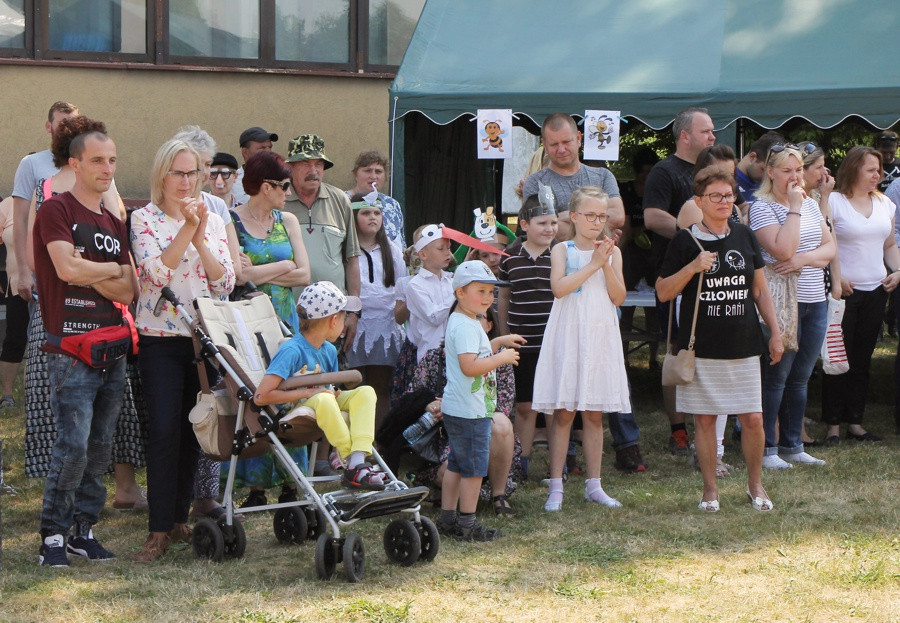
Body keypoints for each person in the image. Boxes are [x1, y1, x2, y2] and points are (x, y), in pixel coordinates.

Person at [131, 139, 235, 562]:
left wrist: (202, 236)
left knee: (195, 430)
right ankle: (157, 530)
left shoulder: (211, 219)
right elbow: (154, 278)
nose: (187, 181)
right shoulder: (143, 219)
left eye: (193, 173)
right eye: (178, 172)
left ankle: (177, 521)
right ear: (162, 175)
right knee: (163, 431)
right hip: (160, 339)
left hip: (203, 339)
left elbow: (225, 281)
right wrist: (186, 230)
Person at [33, 129, 133, 566]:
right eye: (97, 161)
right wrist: (108, 268)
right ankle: (51, 538)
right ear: (75, 164)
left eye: (111, 160)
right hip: (69, 350)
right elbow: (64, 268)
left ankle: (83, 532)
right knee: (71, 445)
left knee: (100, 446)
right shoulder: (55, 210)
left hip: (111, 347)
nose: (107, 169)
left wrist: (91, 267)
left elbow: (129, 291)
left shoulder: (114, 223)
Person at [656, 166, 782, 512]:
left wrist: (775, 332)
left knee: (753, 418)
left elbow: (760, 289)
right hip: (702, 347)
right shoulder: (685, 241)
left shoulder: (745, 236)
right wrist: (693, 267)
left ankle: (755, 485)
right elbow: (664, 291)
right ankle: (710, 490)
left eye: (729, 195)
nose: (724, 201)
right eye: (716, 196)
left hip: (744, 342)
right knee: (706, 420)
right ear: (699, 201)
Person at [532, 187, 631, 512]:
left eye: (601, 216)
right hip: (569, 333)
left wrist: (604, 262)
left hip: (599, 334)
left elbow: (618, 297)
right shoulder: (562, 249)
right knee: (563, 412)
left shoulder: (612, 253)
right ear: (574, 217)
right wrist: (592, 264)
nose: (596, 221)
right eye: (590, 215)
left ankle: (594, 484)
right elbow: (559, 288)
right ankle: (557, 485)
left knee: (594, 412)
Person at [228, 150, 311, 506]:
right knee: (257, 395)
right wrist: (283, 264)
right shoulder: (231, 221)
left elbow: (304, 273)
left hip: (284, 318)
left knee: (292, 393)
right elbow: (238, 275)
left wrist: (259, 270)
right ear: (266, 187)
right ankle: (257, 487)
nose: (288, 192)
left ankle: (294, 481)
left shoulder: (288, 220)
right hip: (249, 320)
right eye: (283, 185)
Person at [749, 144, 835, 469]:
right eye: (787, 170)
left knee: (801, 377)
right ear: (770, 172)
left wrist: (804, 259)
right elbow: (783, 250)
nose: (795, 177)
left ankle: (792, 444)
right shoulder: (762, 208)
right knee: (777, 376)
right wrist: (795, 208)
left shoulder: (811, 204)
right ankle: (767, 449)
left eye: (798, 170)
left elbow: (830, 249)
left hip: (815, 299)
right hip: (783, 302)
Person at [253, 281, 384, 490]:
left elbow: (329, 389)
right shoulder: (292, 350)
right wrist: (307, 392)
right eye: (343, 317)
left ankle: (359, 460)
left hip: (322, 402)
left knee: (365, 392)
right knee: (322, 397)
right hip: (294, 411)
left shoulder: (329, 350)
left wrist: (333, 392)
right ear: (334, 320)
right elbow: (261, 396)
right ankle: (348, 458)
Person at [642, 107, 717, 455]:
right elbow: (652, 217)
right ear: (685, 136)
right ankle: (678, 430)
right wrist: (694, 235)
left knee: (709, 349)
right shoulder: (664, 170)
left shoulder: (712, 172)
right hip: (674, 276)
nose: (713, 137)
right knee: (676, 350)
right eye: (706, 132)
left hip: (712, 278)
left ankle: (710, 428)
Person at [436, 260, 520, 541]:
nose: (488, 298)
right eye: (481, 291)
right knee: (473, 471)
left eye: (491, 292)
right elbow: (470, 366)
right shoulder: (467, 326)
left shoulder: (466, 321)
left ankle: (447, 518)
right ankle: (467, 525)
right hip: (471, 412)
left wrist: (497, 343)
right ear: (459, 293)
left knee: (458, 465)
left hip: (461, 408)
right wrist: (502, 357)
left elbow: (477, 355)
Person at [822, 146, 900, 443]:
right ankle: (832, 425)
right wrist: (837, 280)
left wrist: (897, 270)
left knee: (862, 359)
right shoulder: (835, 202)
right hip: (844, 293)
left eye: (878, 170)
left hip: (876, 291)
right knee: (838, 358)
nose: (877, 175)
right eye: (870, 170)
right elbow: (826, 244)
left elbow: (889, 245)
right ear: (854, 169)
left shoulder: (885, 204)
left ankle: (855, 421)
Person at [497, 194, 558, 479]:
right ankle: (521, 461)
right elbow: (505, 298)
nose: (549, 228)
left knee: (555, 407)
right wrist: (504, 334)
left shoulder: (561, 254)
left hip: (554, 344)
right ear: (525, 224)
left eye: (554, 222)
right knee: (525, 406)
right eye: (542, 222)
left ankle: (560, 464)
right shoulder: (509, 258)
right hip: (523, 344)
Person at [345, 193, 406, 423]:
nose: (373, 218)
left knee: (380, 388)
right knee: (355, 385)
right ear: (354, 216)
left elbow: (401, 287)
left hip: (386, 326)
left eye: (377, 213)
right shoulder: (347, 249)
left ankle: (376, 441)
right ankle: (351, 443)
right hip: (355, 324)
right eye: (366, 213)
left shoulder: (392, 249)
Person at [12, 101, 79, 302]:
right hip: (43, 270)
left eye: (74, 124)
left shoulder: (90, 163)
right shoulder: (31, 163)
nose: (69, 130)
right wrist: (23, 271)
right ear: (48, 126)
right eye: (63, 123)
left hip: (86, 269)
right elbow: (21, 221)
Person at [522, 113, 625, 237]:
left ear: (578, 139)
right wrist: (600, 231)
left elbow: (618, 216)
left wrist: (564, 216)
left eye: (566, 142)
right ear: (544, 144)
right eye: (554, 144)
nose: (561, 149)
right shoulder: (535, 182)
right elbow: (540, 227)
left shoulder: (603, 176)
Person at [405, 224, 455, 362]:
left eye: (449, 247)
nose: (447, 253)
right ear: (422, 254)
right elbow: (433, 317)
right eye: (441, 248)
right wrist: (457, 294)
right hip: (430, 356)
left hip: (455, 353)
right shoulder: (415, 285)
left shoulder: (451, 281)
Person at [345, 150, 406, 248]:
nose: (373, 176)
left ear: (386, 176)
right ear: (355, 174)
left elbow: (401, 244)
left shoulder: (392, 204)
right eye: (367, 171)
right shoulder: (342, 200)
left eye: (378, 172)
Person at [0, 197, 27, 409]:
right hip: (18, 284)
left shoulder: (56, 196)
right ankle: (7, 395)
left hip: (53, 288)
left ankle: (42, 392)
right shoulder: (8, 204)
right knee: (15, 339)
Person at [233, 126, 278, 204]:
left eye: (269, 147)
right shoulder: (233, 182)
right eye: (262, 148)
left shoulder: (278, 179)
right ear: (245, 152)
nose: (268, 152)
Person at [736, 131, 784, 203]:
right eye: (764, 170)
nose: (769, 176)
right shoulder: (729, 182)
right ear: (752, 157)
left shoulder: (773, 185)